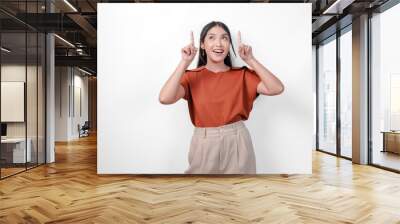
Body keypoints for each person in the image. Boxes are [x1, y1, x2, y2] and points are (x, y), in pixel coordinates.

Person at [158, 21, 284, 174]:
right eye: (211, 37)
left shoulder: (242, 74)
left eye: (224, 38)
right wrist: (184, 62)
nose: (218, 43)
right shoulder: (191, 77)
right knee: (201, 194)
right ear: (202, 45)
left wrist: (250, 59)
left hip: (237, 141)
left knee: (240, 194)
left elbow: (276, 88)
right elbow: (165, 98)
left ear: (230, 44)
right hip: (204, 143)